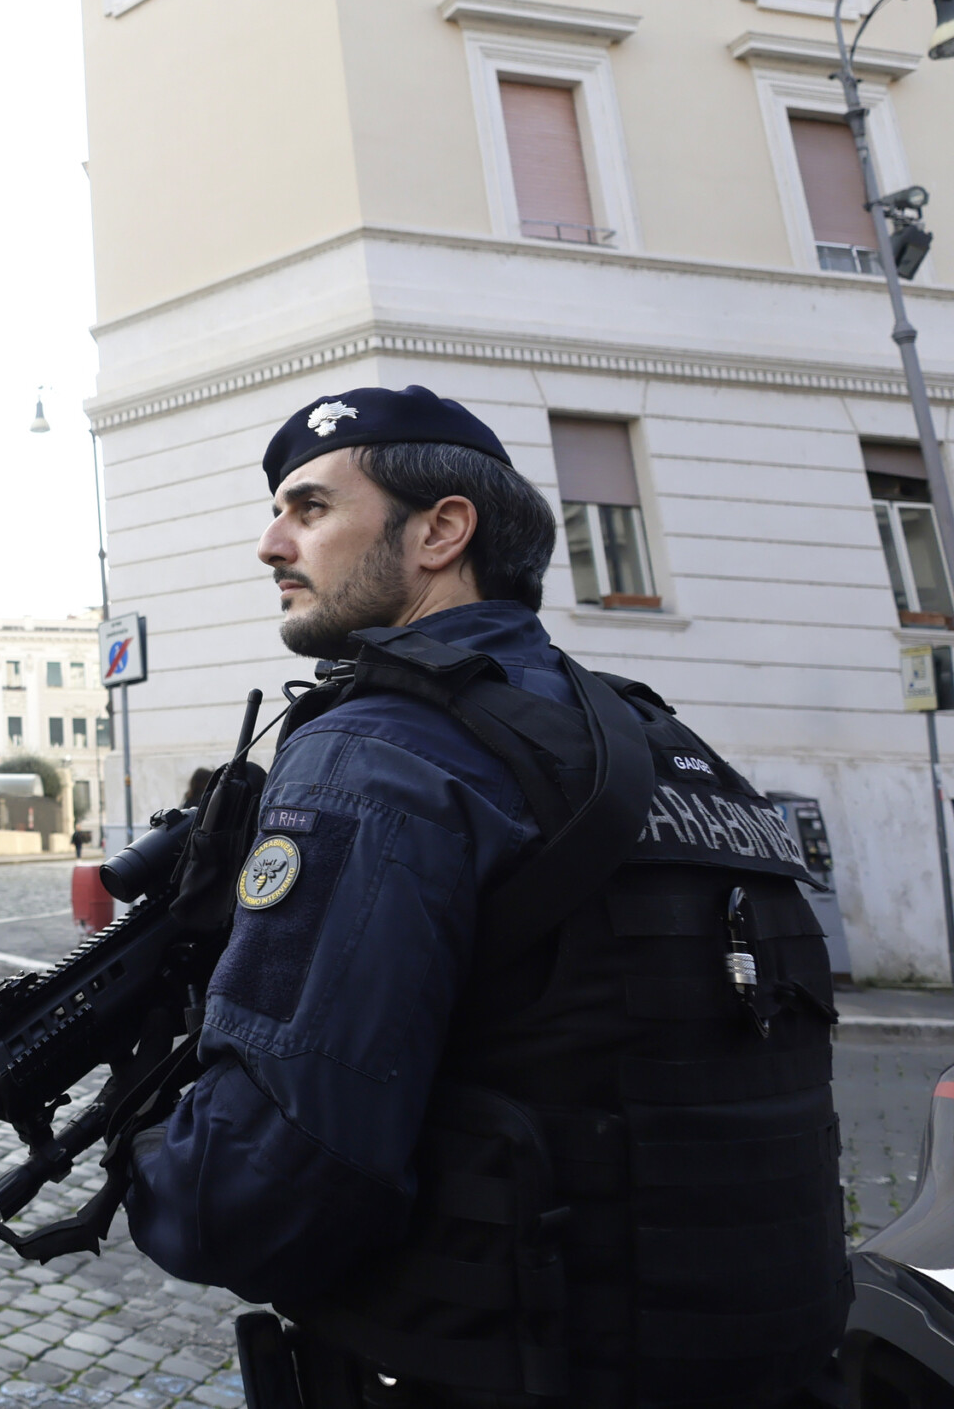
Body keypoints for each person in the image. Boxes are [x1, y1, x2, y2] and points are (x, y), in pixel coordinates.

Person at [124, 385, 846, 1408]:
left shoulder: (380, 749)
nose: (271, 543)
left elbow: (258, 1191)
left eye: (310, 507)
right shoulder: (662, 740)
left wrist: (141, 1139)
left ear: (440, 531)